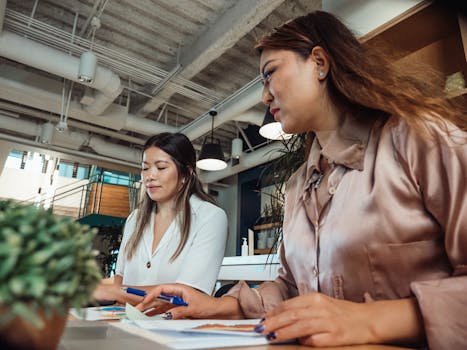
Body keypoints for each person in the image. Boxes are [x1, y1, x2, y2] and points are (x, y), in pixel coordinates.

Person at [138, 10, 467, 350]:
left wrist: (368, 320)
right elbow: (292, 289)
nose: (265, 97)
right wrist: (217, 305)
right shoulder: (298, 184)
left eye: (270, 74)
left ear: (319, 62)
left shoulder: (419, 138)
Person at [93, 132, 228, 305]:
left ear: (186, 174)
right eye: (145, 168)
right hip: (127, 322)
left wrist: (112, 292)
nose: (150, 176)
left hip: (173, 327)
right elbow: (120, 278)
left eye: (161, 167)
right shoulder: (135, 218)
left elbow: (188, 296)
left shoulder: (210, 217)